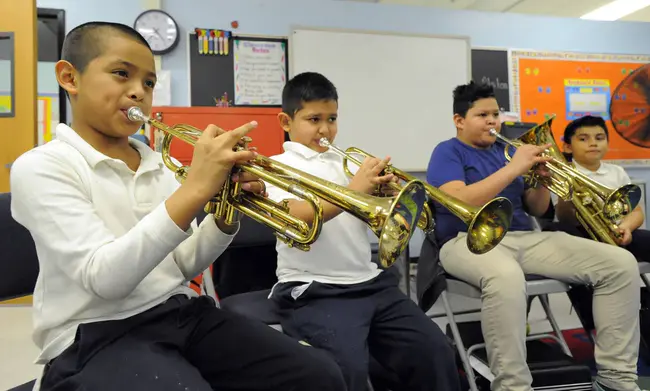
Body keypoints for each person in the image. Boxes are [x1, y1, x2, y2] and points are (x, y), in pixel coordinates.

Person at [10, 22, 346, 391]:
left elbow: (182, 264)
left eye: (149, 83)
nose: (138, 91)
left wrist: (224, 214)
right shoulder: (43, 166)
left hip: (180, 312)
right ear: (70, 77)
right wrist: (195, 190)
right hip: (92, 333)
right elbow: (106, 280)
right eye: (122, 74)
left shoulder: (157, 163)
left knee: (319, 375)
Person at [426, 81, 641, 391]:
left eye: (495, 114)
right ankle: (512, 386)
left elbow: (537, 209)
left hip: (523, 237)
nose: (492, 121)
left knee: (620, 264)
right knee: (506, 277)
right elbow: (461, 201)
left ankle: (616, 380)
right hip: (465, 240)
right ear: (459, 121)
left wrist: (541, 182)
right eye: (482, 115)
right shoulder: (447, 152)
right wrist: (514, 168)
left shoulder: (507, 151)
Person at [265, 71, 461, 391]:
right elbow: (298, 220)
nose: (326, 129)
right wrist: (354, 191)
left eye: (332, 118)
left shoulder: (348, 164)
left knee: (436, 352)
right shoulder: (273, 166)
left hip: (369, 282)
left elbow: (379, 223)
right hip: (313, 288)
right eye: (314, 119)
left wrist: (388, 197)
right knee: (345, 372)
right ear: (286, 121)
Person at [553, 115, 650, 257]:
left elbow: (636, 212)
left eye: (599, 138)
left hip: (617, 231)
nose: (593, 143)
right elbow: (564, 218)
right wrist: (569, 192)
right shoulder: (560, 173)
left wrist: (625, 228)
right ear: (567, 147)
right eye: (583, 139)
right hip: (581, 234)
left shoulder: (617, 172)